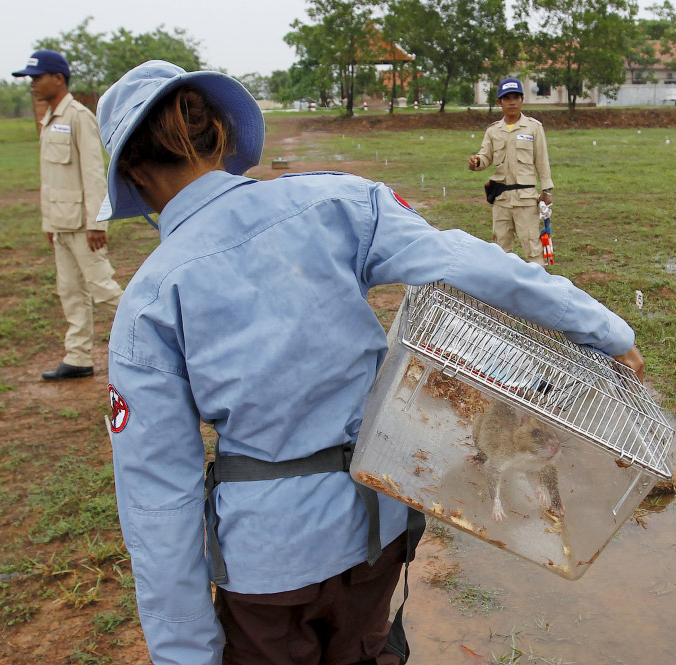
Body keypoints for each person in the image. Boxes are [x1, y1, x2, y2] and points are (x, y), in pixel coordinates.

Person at [97, 61, 645, 665]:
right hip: (373, 530)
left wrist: (185, 655)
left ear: (133, 176)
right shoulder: (334, 201)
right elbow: (469, 261)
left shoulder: (149, 302)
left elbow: (158, 500)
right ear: (222, 137)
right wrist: (604, 329)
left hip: (270, 565)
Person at [12, 49, 124, 381]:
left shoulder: (78, 117)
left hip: (82, 225)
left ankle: (163, 337)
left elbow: (93, 173)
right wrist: (50, 224)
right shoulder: (48, 119)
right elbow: (53, 179)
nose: (32, 84)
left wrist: (96, 223)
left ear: (57, 78)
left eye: (36, 77)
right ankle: (77, 358)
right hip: (61, 225)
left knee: (102, 289)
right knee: (70, 292)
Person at [468, 77, 554, 266]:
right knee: (500, 250)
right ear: (500, 102)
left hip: (526, 199)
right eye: (507, 98)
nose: (512, 102)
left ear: (522, 99)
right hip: (502, 200)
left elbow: (542, 161)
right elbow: (485, 156)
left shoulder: (533, 128)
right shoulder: (493, 131)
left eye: (516, 97)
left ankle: (537, 290)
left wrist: (546, 190)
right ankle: (503, 291)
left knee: (532, 248)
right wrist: (476, 162)